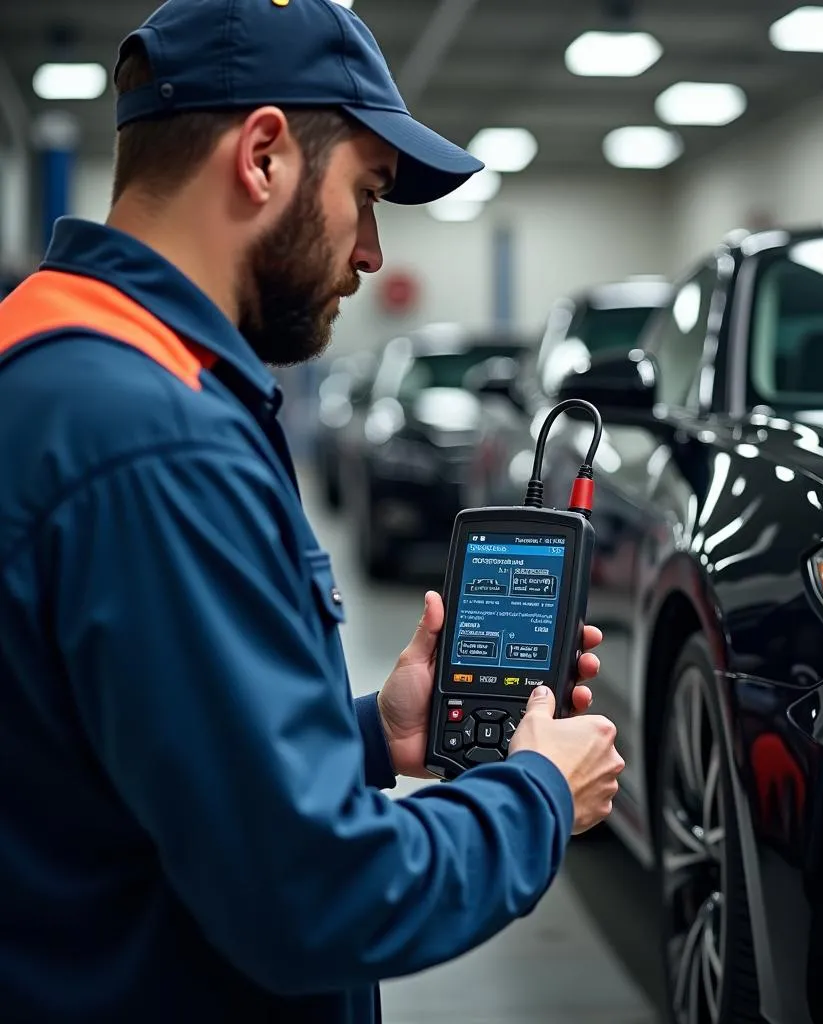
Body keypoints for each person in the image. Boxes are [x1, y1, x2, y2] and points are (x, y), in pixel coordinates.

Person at [0, 1, 625, 1021]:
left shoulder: (51, 356)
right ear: (262, 156)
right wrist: (535, 794)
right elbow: (312, 894)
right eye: (366, 193)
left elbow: (129, 761)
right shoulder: (154, 437)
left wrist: (373, 734)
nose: (372, 250)